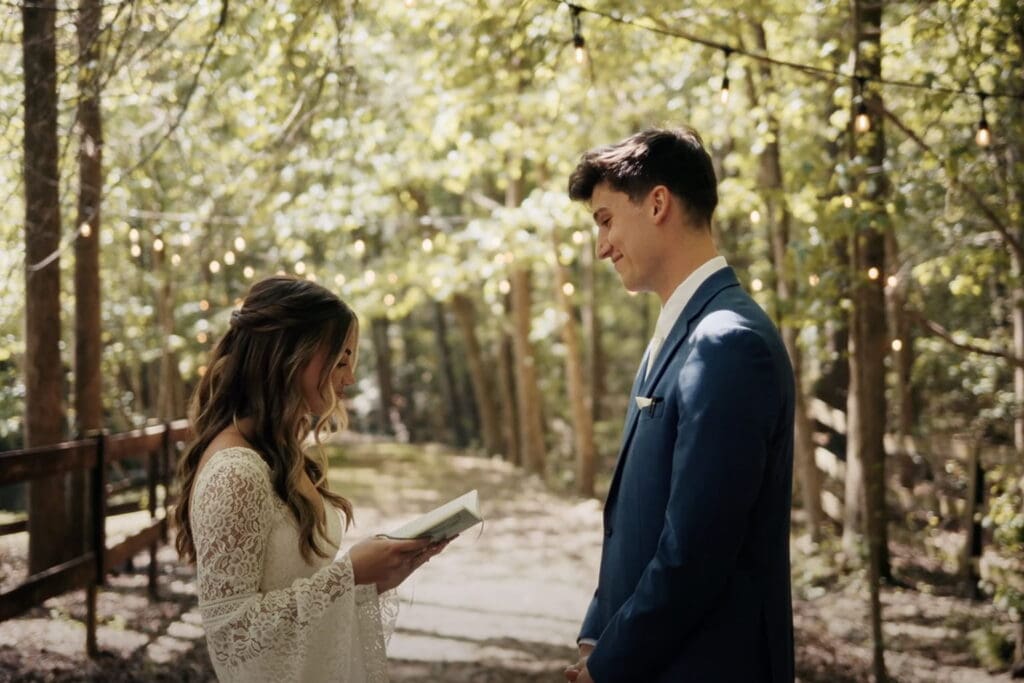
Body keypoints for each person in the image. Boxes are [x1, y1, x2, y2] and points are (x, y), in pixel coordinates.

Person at [563, 128, 795, 683]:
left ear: (659, 203)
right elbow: (632, 523)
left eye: (605, 220)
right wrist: (598, 637)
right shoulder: (678, 334)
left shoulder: (727, 342)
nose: (601, 245)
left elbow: (695, 550)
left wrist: (610, 666)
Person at [174, 275, 449, 682]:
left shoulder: (279, 453)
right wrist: (349, 574)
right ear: (287, 356)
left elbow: (292, 586)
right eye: (340, 360)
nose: (349, 377)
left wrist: (376, 576)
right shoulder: (236, 472)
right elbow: (231, 637)